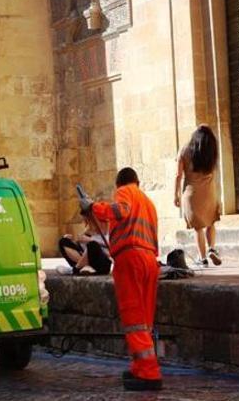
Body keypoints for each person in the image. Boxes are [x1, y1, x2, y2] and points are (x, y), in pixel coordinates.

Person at [80, 168, 162, 391]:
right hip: (149, 260)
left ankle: (148, 373)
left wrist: (93, 207)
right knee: (145, 320)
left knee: (133, 318)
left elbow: (121, 210)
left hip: (131, 259)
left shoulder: (126, 192)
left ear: (120, 184)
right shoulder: (149, 203)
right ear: (138, 181)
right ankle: (140, 367)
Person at [174, 125, 222, 267]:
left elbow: (178, 175)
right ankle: (211, 249)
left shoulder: (184, 150)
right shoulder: (211, 152)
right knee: (211, 222)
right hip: (210, 192)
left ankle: (203, 259)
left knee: (198, 227)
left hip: (191, 194)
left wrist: (175, 195)